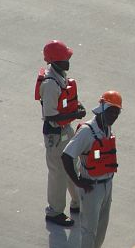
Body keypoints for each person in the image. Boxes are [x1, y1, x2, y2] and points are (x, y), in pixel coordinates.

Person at [35, 40, 86, 226]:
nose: (69, 61)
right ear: (55, 61)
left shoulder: (60, 76)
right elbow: (49, 115)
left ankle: (77, 203)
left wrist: (76, 107)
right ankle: (54, 212)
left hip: (65, 130)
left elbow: (65, 102)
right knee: (58, 173)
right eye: (66, 58)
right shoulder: (50, 84)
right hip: (55, 135)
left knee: (72, 165)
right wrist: (76, 113)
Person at [61, 91, 122, 248]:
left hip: (107, 185)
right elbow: (67, 156)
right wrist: (78, 182)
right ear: (102, 107)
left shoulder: (107, 128)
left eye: (117, 111)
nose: (114, 115)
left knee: (102, 227)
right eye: (111, 110)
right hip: (92, 188)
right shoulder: (87, 131)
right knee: (89, 229)